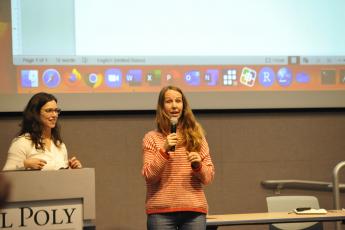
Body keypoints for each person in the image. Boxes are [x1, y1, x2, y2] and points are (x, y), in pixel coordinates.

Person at [142, 85, 215, 230]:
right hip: (160, 213)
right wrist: (164, 150)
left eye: (178, 101)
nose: (174, 105)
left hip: (193, 211)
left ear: (184, 105)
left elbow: (208, 177)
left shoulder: (196, 136)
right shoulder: (151, 138)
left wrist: (197, 165)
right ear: (162, 107)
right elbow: (149, 175)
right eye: (169, 101)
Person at [2, 92, 82, 171]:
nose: (55, 115)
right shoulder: (22, 142)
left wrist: (72, 169)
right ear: (35, 114)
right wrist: (25, 165)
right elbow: (7, 173)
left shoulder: (59, 145)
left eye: (56, 110)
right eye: (49, 110)